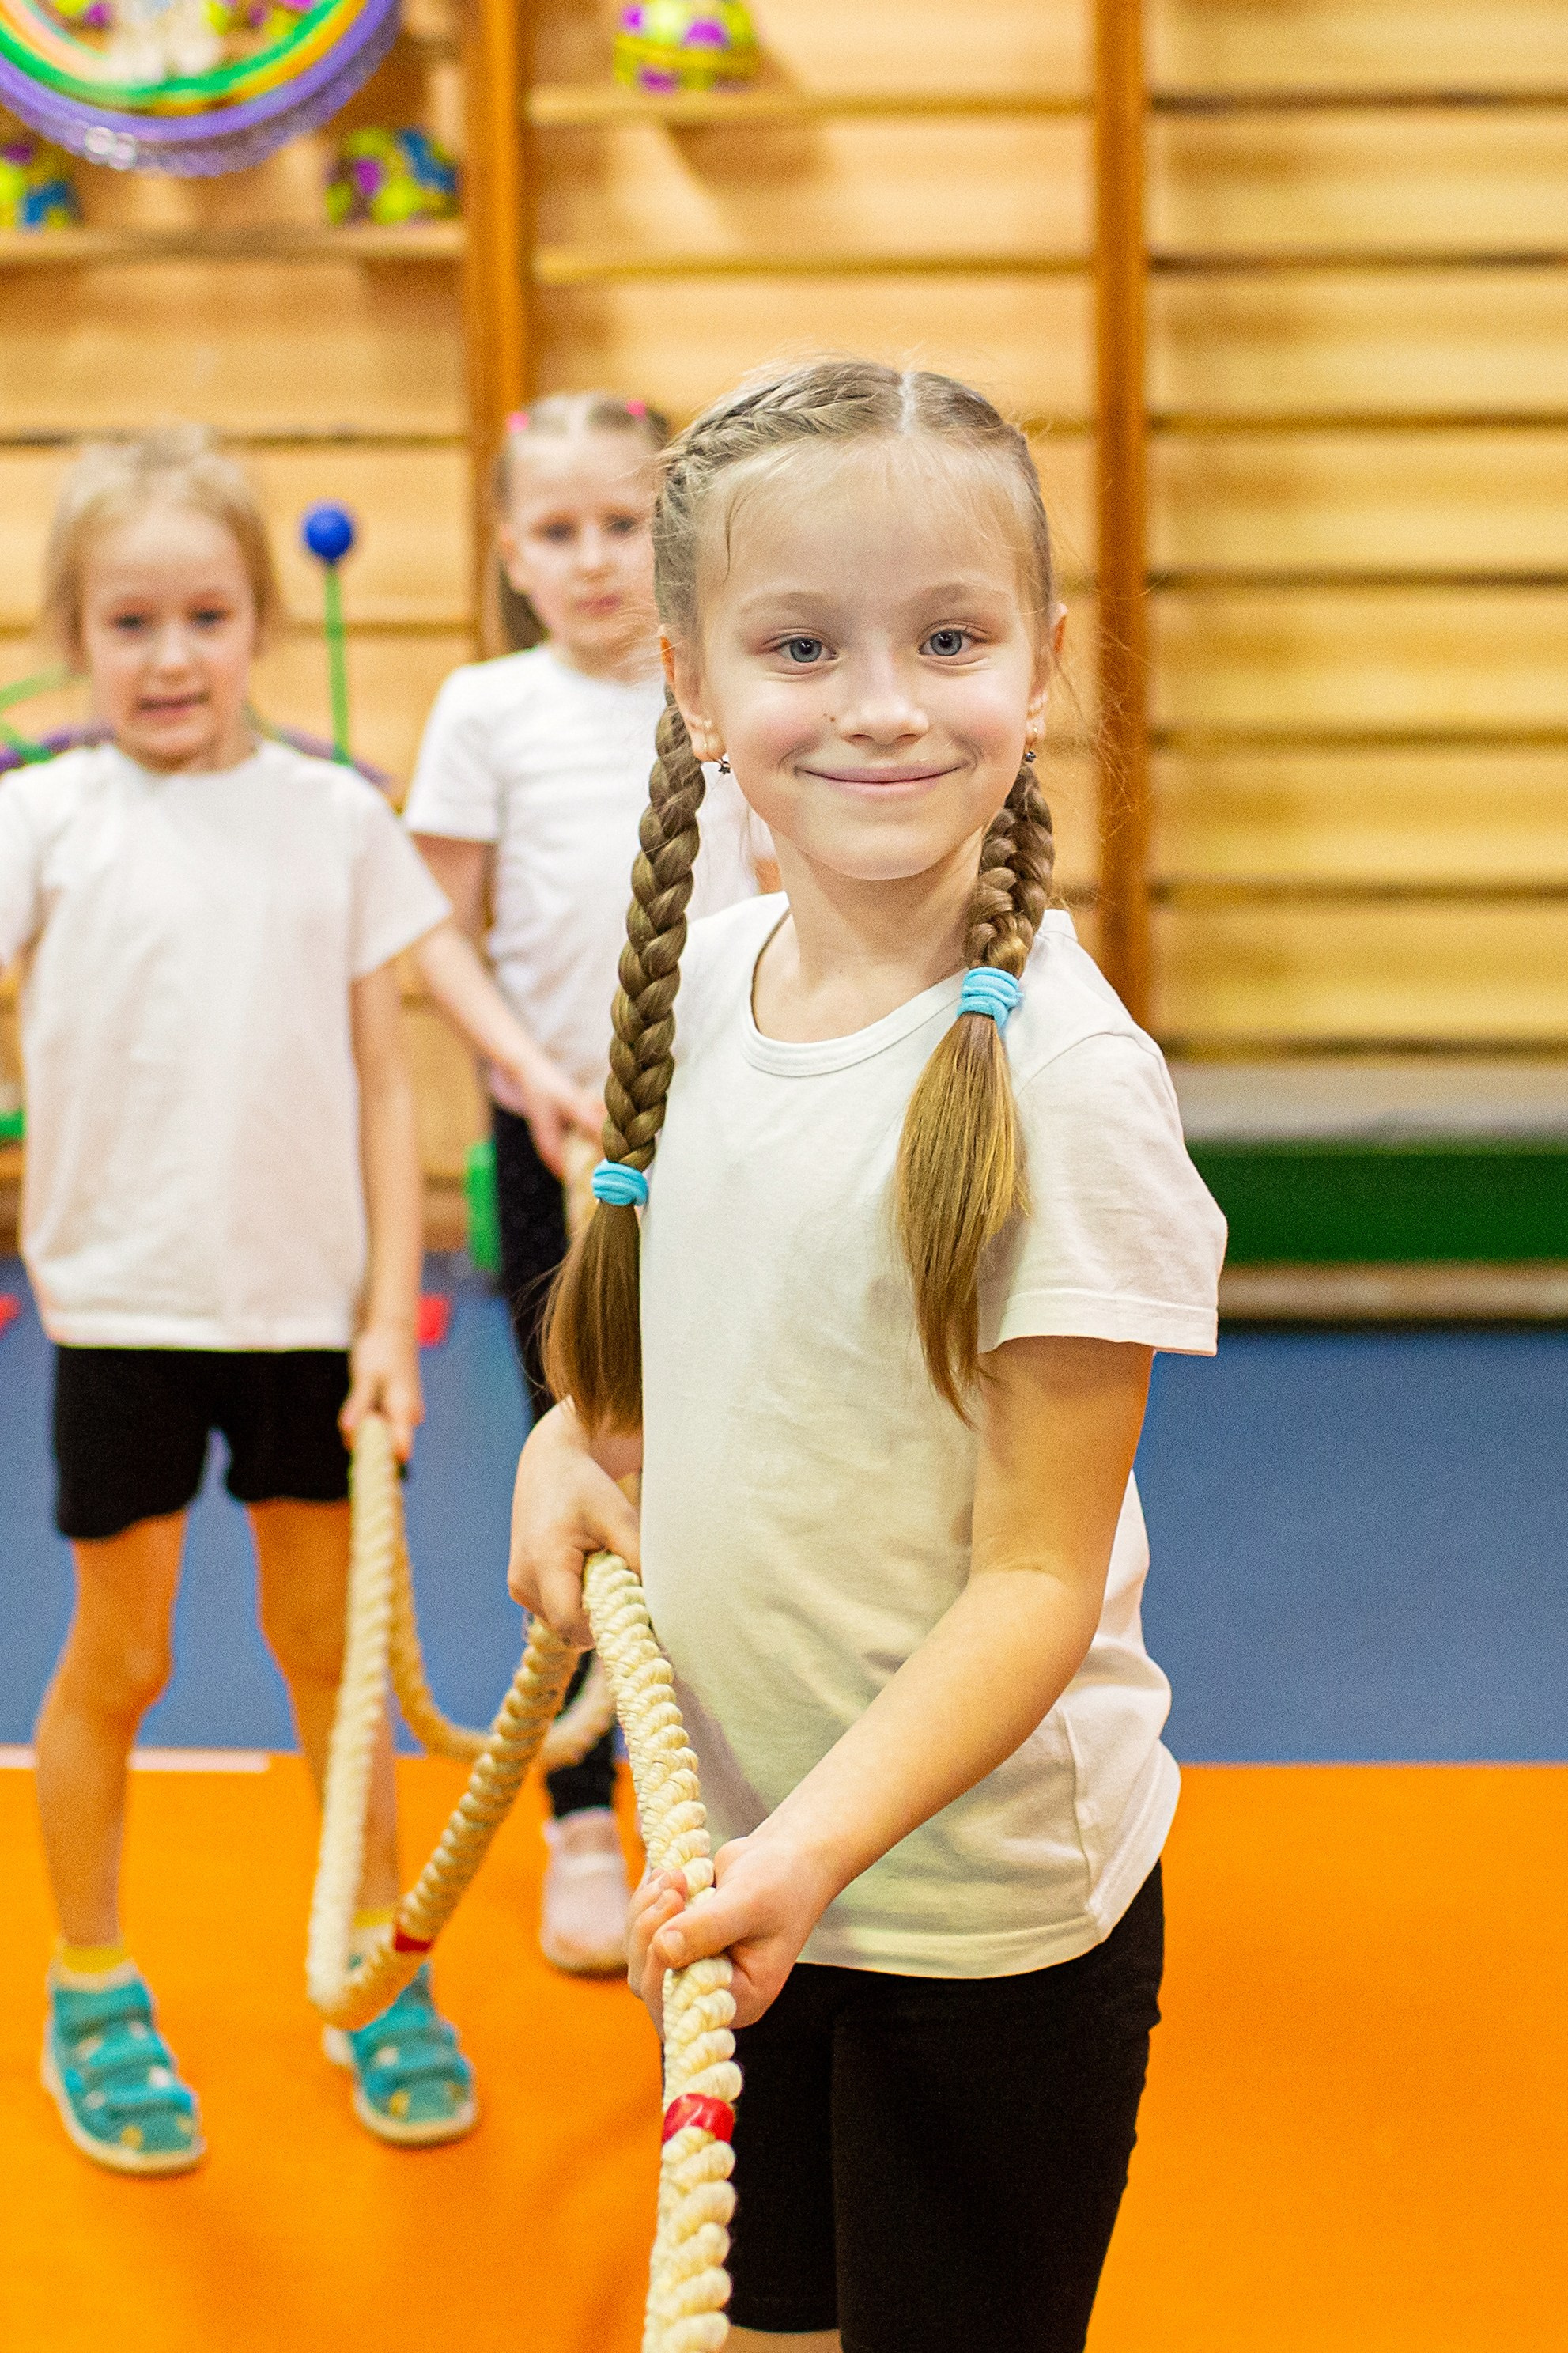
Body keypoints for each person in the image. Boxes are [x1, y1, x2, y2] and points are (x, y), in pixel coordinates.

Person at [506, 361, 1228, 2353]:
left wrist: (807, 1854)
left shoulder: (1067, 1087)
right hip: (744, 1865)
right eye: (802, 645)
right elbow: (664, 1316)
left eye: (948, 639)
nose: (883, 705)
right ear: (688, 683)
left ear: (1041, 662)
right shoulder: (708, 975)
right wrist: (572, 1439)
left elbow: (1034, 1580)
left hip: (967, 1923)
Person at [0, 428, 482, 2173]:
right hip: (125, 1314)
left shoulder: (334, 822)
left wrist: (384, 1314)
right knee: (119, 1660)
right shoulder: (40, 821)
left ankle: (374, 1969)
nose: (170, 656)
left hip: (309, 1325)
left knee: (334, 1665)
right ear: (73, 632)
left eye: (205, 617)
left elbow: (382, 1083)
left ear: (260, 625)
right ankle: (90, 1982)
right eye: (128, 622)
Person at [405, 391, 767, 1976]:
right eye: (558, 531)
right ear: (509, 554)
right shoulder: (486, 708)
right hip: (557, 1146)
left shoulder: (723, 691)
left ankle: (743, 1794)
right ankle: (575, 1811)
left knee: (735, 1457)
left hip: (726, 1136)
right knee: (580, 1467)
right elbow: (434, 930)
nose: (596, 557)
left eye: (624, 523)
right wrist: (527, 1076)